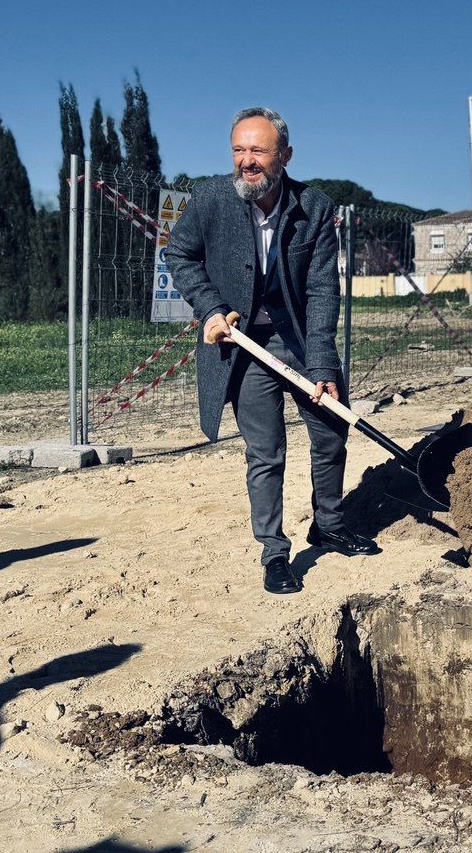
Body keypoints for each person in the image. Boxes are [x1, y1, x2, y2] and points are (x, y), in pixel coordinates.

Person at [167, 107, 378, 596]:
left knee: (331, 433)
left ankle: (329, 524)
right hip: (244, 343)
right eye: (239, 150)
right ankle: (275, 553)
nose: (247, 161)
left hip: (299, 339)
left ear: (285, 155)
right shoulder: (211, 199)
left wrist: (322, 363)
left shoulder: (314, 207)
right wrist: (210, 307)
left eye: (258, 151)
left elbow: (322, 289)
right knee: (266, 452)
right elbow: (179, 253)